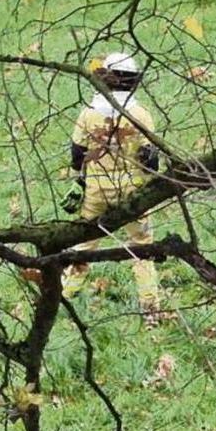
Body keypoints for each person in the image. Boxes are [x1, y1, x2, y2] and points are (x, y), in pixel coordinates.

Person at [60, 52, 163, 324]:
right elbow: (150, 159)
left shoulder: (88, 114)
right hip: (133, 192)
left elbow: (77, 153)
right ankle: (150, 309)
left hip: (95, 192)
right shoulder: (140, 114)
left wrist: (78, 179)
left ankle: (64, 297)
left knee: (83, 246)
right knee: (142, 247)